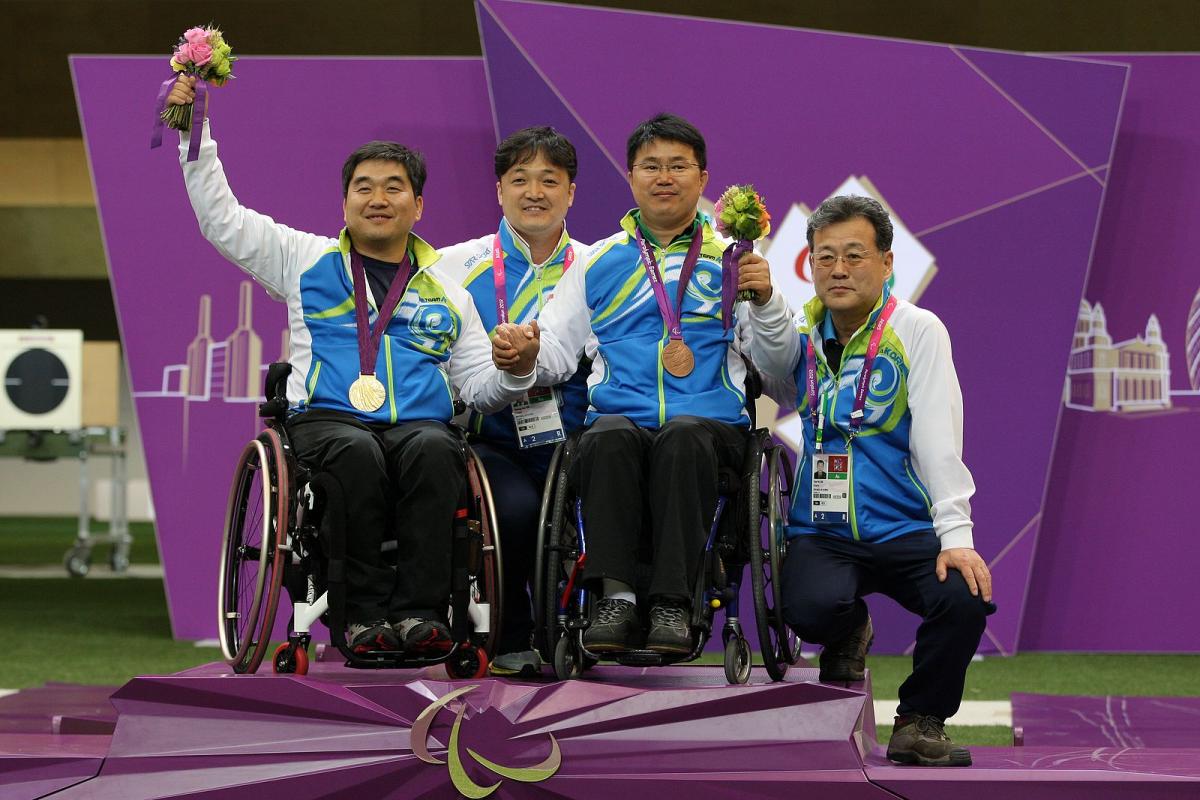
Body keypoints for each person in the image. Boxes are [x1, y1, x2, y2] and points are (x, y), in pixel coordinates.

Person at [165, 76, 539, 657]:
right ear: (344, 203)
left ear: (418, 205)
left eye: (394, 187)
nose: (378, 198)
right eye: (363, 187)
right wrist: (197, 136)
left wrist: (516, 369)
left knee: (437, 450)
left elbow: (476, 386)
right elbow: (223, 220)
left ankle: (420, 615)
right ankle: (362, 617)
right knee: (355, 451)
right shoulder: (303, 259)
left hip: (419, 426)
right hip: (328, 423)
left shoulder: (448, 290)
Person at [527, 113, 787, 655]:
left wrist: (767, 304)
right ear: (630, 177)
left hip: (710, 429)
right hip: (622, 420)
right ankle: (615, 599)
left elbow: (778, 367)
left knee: (684, 437)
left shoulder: (734, 261)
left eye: (677, 166)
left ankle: (674, 604)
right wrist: (525, 354)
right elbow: (554, 349)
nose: (664, 177)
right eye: (651, 166)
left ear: (703, 177)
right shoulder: (596, 262)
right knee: (606, 437)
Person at [749, 194, 994, 767]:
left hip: (906, 527)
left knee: (964, 598)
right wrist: (756, 303)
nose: (838, 269)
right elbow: (770, 378)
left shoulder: (917, 330)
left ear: (886, 263)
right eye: (824, 256)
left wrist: (955, 535)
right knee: (804, 609)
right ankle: (851, 626)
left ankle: (919, 720)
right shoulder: (802, 335)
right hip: (823, 531)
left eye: (854, 255)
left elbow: (937, 437)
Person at [437, 126, 591, 677]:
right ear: (499, 190)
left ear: (571, 192)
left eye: (550, 180)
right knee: (519, 512)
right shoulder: (453, 266)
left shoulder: (599, 267)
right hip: (490, 440)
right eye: (519, 179)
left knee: (587, 507)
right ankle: (514, 632)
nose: (534, 192)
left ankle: (580, 630)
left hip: (576, 440)